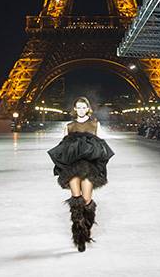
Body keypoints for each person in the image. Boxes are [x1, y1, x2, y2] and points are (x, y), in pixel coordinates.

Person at [47, 97, 115, 251]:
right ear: (75, 109)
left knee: (86, 200)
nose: (81, 109)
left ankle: (87, 229)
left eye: (84, 107)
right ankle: (79, 236)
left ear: (88, 108)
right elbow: (63, 147)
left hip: (89, 167)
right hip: (72, 167)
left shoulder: (95, 124)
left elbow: (102, 145)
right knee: (76, 200)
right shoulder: (69, 126)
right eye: (78, 107)